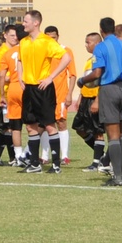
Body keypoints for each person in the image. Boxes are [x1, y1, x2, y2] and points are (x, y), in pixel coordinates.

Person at [76, 17, 122, 186]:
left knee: (113, 135)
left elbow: (97, 73)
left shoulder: (101, 47)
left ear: (101, 30)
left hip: (109, 89)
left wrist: (82, 81)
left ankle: (117, 178)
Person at [18, 10, 70, 174]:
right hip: (29, 88)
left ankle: (56, 165)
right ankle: (34, 164)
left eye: (26, 21)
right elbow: (20, 60)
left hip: (43, 88)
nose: (23, 24)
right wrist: (20, 77)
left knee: (49, 125)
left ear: (36, 23)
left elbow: (66, 57)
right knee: (30, 126)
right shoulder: (24, 42)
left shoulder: (46, 41)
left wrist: (51, 77)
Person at [73, 33, 106, 172]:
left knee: (98, 130)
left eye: (88, 42)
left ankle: (97, 161)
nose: (86, 45)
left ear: (97, 43)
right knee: (79, 128)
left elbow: (101, 82)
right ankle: (102, 156)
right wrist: (81, 96)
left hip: (95, 98)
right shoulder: (89, 59)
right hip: (86, 98)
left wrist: (97, 100)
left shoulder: (100, 60)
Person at [44, 26, 77, 166]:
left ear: (58, 36)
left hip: (61, 94)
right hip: (45, 94)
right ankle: (44, 156)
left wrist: (69, 94)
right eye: (49, 38)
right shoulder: (43, 51)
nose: (52, 40)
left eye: (54, 37)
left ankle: (64, 156)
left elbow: (73, 74)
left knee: (61, 123)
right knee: (45, 123)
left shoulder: (65, 51)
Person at [0, 24, 27, 167]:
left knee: (15, 126)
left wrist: (3, 94)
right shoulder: (28, 49)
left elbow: (1, 75)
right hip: (26, 86)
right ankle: (28, 153)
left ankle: (18, 156)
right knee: (37, 123)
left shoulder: (7, 53)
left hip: (12, 89)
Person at [0, 25, 15, 166]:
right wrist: (19, 77)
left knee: (9, 127)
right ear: (5, 36)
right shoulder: (1, 53)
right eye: (12, 35)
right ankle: (6, 158)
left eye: (16, 36)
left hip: (13, 94)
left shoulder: (15, 51)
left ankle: (1, 158)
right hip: (4, 96)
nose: (15, 38)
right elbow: (3, 77)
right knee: (7, 127)